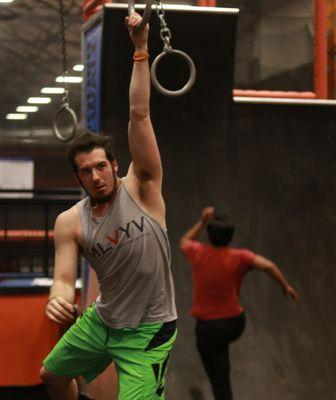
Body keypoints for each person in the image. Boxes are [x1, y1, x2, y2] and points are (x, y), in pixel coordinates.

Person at [40, 13, 177, 400]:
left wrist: (140, 48)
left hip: (149, 329)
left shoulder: (143, 188)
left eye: (102, 166)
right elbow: (66, 279)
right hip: (104, 319)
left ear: (115, 165)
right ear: (78, 178)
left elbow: (140, 114)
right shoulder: (71, 222)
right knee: (51, 375)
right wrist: (58, 299)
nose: (96, 175)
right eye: (86, 171)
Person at [179, 207, 298, 400]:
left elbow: (184, 241)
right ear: (230, 237)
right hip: (234, 324)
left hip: (208, 330)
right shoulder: (240, 257)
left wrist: (202, 221)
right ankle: (222, 367)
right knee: (221, 358)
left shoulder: (198, 252)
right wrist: (285, 286)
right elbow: (268, 265)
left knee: (219, 380)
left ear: (209, 236)